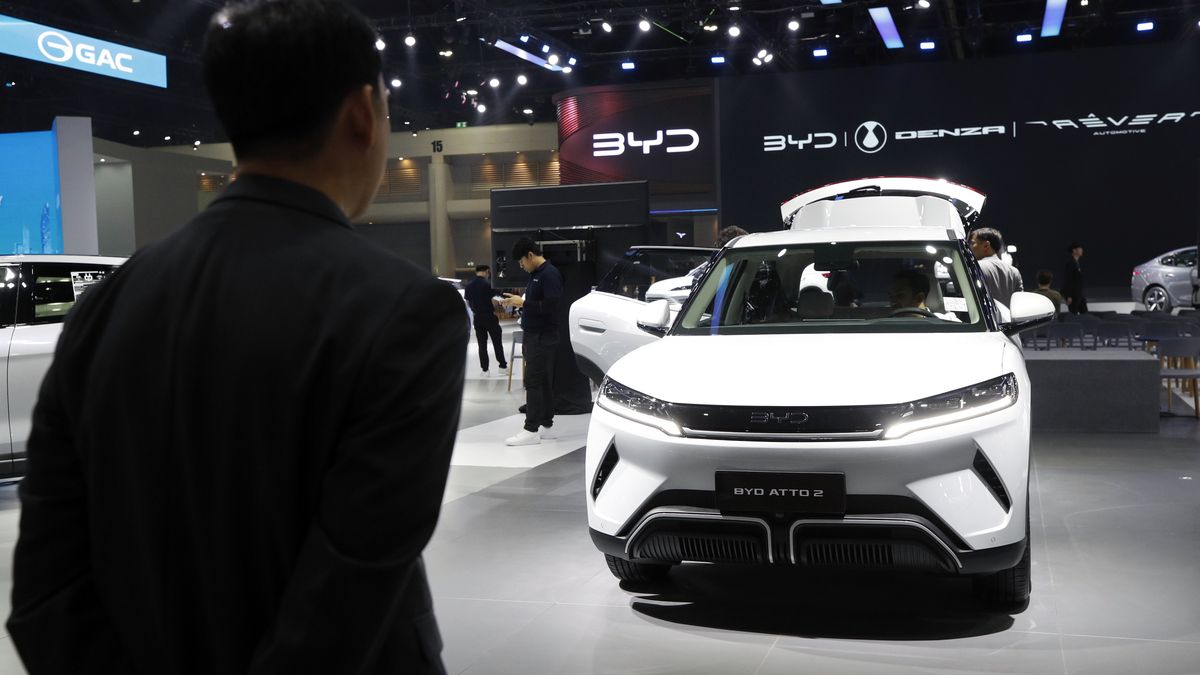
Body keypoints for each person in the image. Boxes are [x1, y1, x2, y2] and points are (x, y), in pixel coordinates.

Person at [8, 2, 464, 673]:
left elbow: (47, 587)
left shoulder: (105, 307)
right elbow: (350, 587)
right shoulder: (405, 311)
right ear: (363, 114)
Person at [503, 237, 563, 446]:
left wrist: (525, 302)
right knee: (542, 381)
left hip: (542, 336)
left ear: (530, 255)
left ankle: (531, 430)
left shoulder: (549, 274)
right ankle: (546, 425)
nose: (521, 266)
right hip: (535, 335)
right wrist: (520, 303)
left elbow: (552, 306)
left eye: (521, 262)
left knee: (534, 381)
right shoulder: (537, 275)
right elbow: (537, 305)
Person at [464, 264, 508, 377]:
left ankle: (485, 370)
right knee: (497, 342)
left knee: (481, 345)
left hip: (477, 318)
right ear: (487, 271)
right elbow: (498, 300)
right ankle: (502, 367)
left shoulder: (469, 286)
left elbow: (468, 303)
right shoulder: (489, 284)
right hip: (489, 316)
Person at [969, 227, 1024, 309]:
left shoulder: (975, 268)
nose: (969, 247)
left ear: (986, 245)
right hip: (1009, 321)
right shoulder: (1014, 272)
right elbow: (1020, 303)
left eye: (972, 243)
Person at [888, 269, 959, 321]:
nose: (892, 302)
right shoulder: (883, 326)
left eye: (900, 295)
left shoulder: (947, 322)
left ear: (919, 298)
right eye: (891, 297)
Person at [1063, 242, 1087, 314]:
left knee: (1084, 312)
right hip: (1073, 295)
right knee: (1074, 314)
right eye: (1080, 248)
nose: (1082, 250)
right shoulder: (1070, 263)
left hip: (1079, 294)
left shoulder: (1077, 263)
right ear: (1074, 250)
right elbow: (1068, 280)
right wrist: (1069, 296)